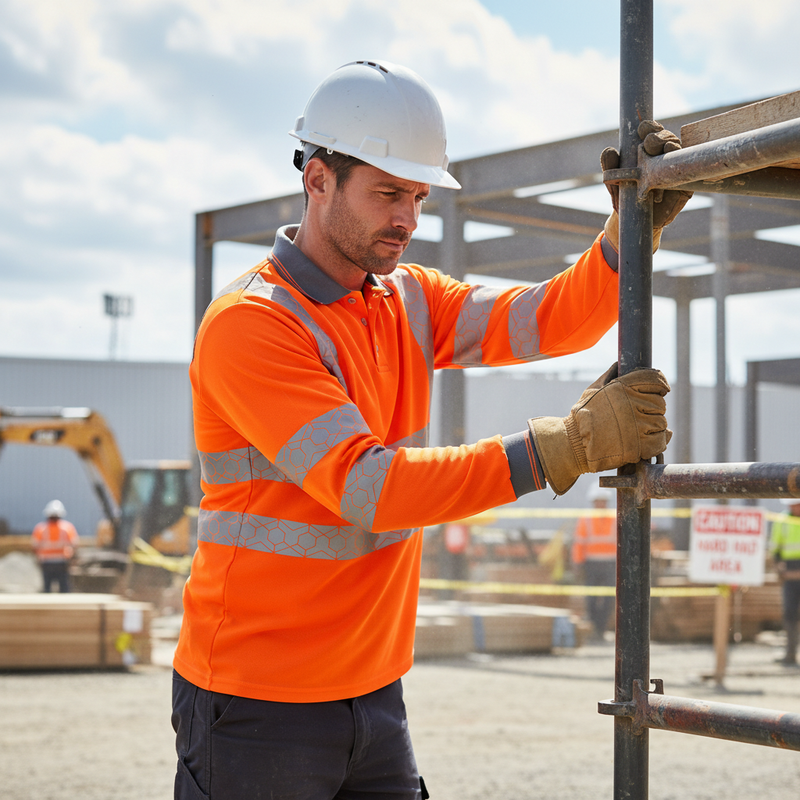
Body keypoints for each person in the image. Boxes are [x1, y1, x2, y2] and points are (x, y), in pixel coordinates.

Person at [172, 60, 688, 800]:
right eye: (388, 193)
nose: (408, 220)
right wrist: (562, 449)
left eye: (417, 196)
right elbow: (368, 488)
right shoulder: (253, 325)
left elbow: (552, 318)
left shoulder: (407, 298)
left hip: (374, 691)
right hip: (257, 702)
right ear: (317, 180)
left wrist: (622, 238)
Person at [572, 484, 616, 641]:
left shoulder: (615, 517)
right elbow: (579, 543)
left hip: (611, 564)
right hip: (591, 564)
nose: (601, 504)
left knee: (609, 599)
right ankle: (594, 628)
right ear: (593, 502)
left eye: (603, 501)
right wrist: (578, 564)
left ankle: (601, 629)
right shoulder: (586, 519)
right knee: (591, 599)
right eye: (598, 501)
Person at [771, 498, 800, 667]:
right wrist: (780, 571)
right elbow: (775, 551)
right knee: (789, 613)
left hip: (792, 572)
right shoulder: (782, 521)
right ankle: (790, 654)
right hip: (789, 572)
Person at [30, 499, 79, 593]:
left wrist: (38, 559)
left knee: (46, 589)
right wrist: (72, 559)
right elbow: (74, 545)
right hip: (62, 562)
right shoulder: (67, 528)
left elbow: (35, 547)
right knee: (64, 589)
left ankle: (45, 607)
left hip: (46, 562)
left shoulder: (41, 529)